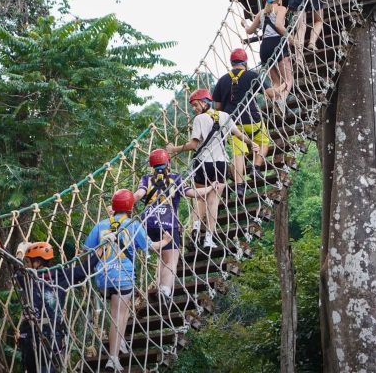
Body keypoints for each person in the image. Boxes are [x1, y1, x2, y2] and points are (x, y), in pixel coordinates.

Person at [84, 189, 171, 371]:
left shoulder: (100, 225)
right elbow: (150, 246)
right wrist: (164, 241)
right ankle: (113, 358)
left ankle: (121, 342)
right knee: (119, 315)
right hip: (123, 277)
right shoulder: (133, 224)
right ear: (130, 207)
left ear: (114, 207)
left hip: (102, 278)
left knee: (118, 312)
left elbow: (87, 250)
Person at [165, 90, 258, 248]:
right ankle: (209, 238)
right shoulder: (224, 116)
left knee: (199, 198)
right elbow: (238, 134)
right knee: (213, 201)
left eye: (196, 105)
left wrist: (174, 149)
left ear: (204, 102)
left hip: (202, 164)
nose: (194, 108)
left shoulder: (199, 119)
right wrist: (251, 143)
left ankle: (195, 230)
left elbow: (193, 145)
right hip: (220, 164)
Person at [131, 149, 221, 303]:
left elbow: (139, 195)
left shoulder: (146, 179)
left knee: (162, 257)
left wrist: (123, 206)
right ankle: (165, 290)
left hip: (148, 223)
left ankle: (160, 285)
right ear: (168, 163)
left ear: (152, 165)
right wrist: (211, 187)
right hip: (168, 223)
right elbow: (193, 193)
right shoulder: (175, 178)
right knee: (171, 260)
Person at [13, 240, 103, 373]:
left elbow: (15, 269)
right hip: (53, 334)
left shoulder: (28, 278)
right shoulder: (61, 275)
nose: (26, 265)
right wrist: (101, 250)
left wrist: (20, 250)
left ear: (37, 263)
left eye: (28, 262)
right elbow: (84, 269)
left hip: (32, 335)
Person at [211, 48, 276, 197]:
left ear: (231, 63)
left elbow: (218, 107)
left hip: (232, 122)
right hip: (251, 119)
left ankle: (240, 186)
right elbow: (270, 93)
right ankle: (256, 167)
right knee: (263, 142)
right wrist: (283, 86)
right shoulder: (252, 75)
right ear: (245, 62)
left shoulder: (222, 80)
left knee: (238, 153)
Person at [243, 0, 294, 100]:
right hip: (277, 43)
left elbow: (249, 31)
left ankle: (275, 99)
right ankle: (282, 100)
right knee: (288, 80)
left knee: (276, 82)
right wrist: (291, 39)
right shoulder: (281, 9)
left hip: (264, 48)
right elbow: (279, 25)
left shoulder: (261, 13)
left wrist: (244, 24)